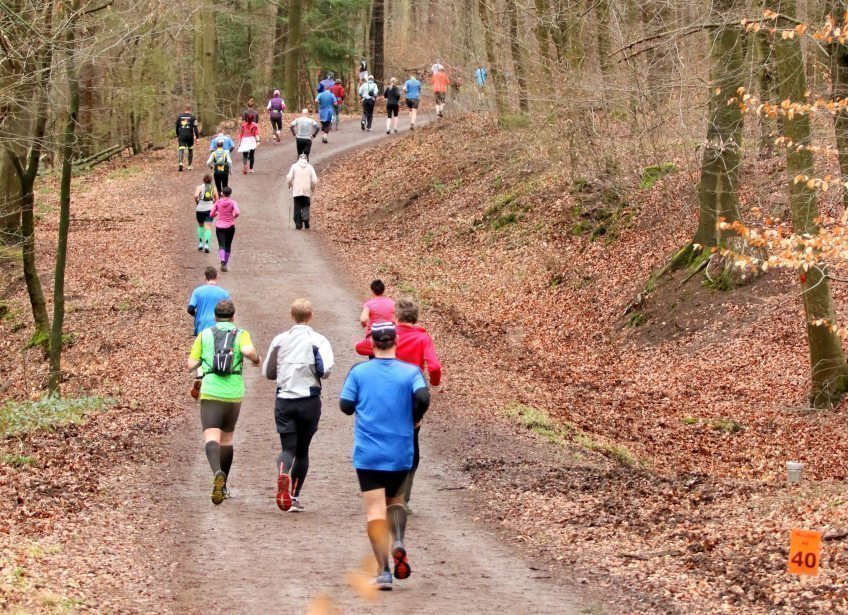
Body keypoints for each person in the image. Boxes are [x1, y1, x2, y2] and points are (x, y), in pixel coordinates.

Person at [339, 322, 431, 590]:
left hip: (368, 453)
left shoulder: (359, 372)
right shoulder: (411, 372)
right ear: (396, 342)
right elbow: (423, 397)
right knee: (396, 502)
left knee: (374, 510)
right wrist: (414, 417)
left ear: (372, 343)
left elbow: (345, 406)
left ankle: (384, 572)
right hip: (400, 450)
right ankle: (399, 540)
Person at [355, 298, 441, 514]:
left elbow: (361, 347)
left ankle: (382, 492)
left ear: (397, 316)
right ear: (416, 317)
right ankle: (403, 497)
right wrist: (434, 381)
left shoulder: (390, 335)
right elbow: (435, 366)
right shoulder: (423, 338)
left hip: (384, 392)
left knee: (380, 438)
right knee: (412, 444)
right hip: (412, 395)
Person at [263, 298, 334, 513]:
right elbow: (326, 370)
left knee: (288, 448)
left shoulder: (279, 340)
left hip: (284, 399)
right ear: (310, 316)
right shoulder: (319, 340)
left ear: (291, 316)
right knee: (303, 451)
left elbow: (268, 372)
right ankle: (293, 496)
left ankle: (283, 471)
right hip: (309, 400)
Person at [187, 299, 260, 505]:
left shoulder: (205, 335)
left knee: (211, 436)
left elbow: (191, 364)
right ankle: (224, 485)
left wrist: (204, 359)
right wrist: (255, 360)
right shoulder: (241, 334)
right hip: (234, 392)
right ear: (234, 316)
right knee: (227, 439)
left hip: (211, 391)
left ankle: (216, 472)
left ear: (214, 317)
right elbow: (248, 352)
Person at [187, 267, 230, 335]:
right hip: (219, 327)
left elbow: (190, 309)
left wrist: (196, 315)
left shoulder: (197, 291)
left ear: (205, 277)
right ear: (216, 276)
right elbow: (229, 311)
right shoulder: (224, 293)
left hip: (202, 326)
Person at [210, 186, 239, 272]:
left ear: (222, 193)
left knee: (221, 245)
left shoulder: (218, 202)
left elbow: (211, 214)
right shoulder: (233, 202)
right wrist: (234, 216)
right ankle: (225, 264)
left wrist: (216, 214)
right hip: (230, 226)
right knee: (228, 245)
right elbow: (237, 212)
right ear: (230, 194)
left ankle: (222, 259)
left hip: (220, 227)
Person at [287, 154, 318, 230]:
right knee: (306, 204)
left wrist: (290, 184)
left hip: (297, 189)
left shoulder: (294, 166)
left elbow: (289, 178)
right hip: (306, 189)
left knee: (297, 206)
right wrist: (312, 188)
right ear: (307, 159)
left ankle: (298, 224)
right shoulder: (310, 167)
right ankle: (305, 217)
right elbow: (314, 180)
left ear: (299, 159)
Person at [193, 175, 218, 252]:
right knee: (208, 227)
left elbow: (196, 195)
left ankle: (200, 243)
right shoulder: (214, 189)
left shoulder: (199, 187)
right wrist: (213, 203)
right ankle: (207, 245)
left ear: (203, 180)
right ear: (211, 181)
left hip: (200, 209)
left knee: (200, 226)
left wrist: (197, 201)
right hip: (210, 209)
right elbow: (217, 200)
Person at [176, 105, 199, 172]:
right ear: (190, 110)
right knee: (190, 149)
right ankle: (189, 165)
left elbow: (177, 127)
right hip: (190, 135)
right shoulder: (193, 117)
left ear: (184, 109)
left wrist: (178, 135)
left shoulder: (180, 117)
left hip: (182, 135)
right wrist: (197, 137)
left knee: (181, 148)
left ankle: (180, 162)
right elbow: (195, 128)